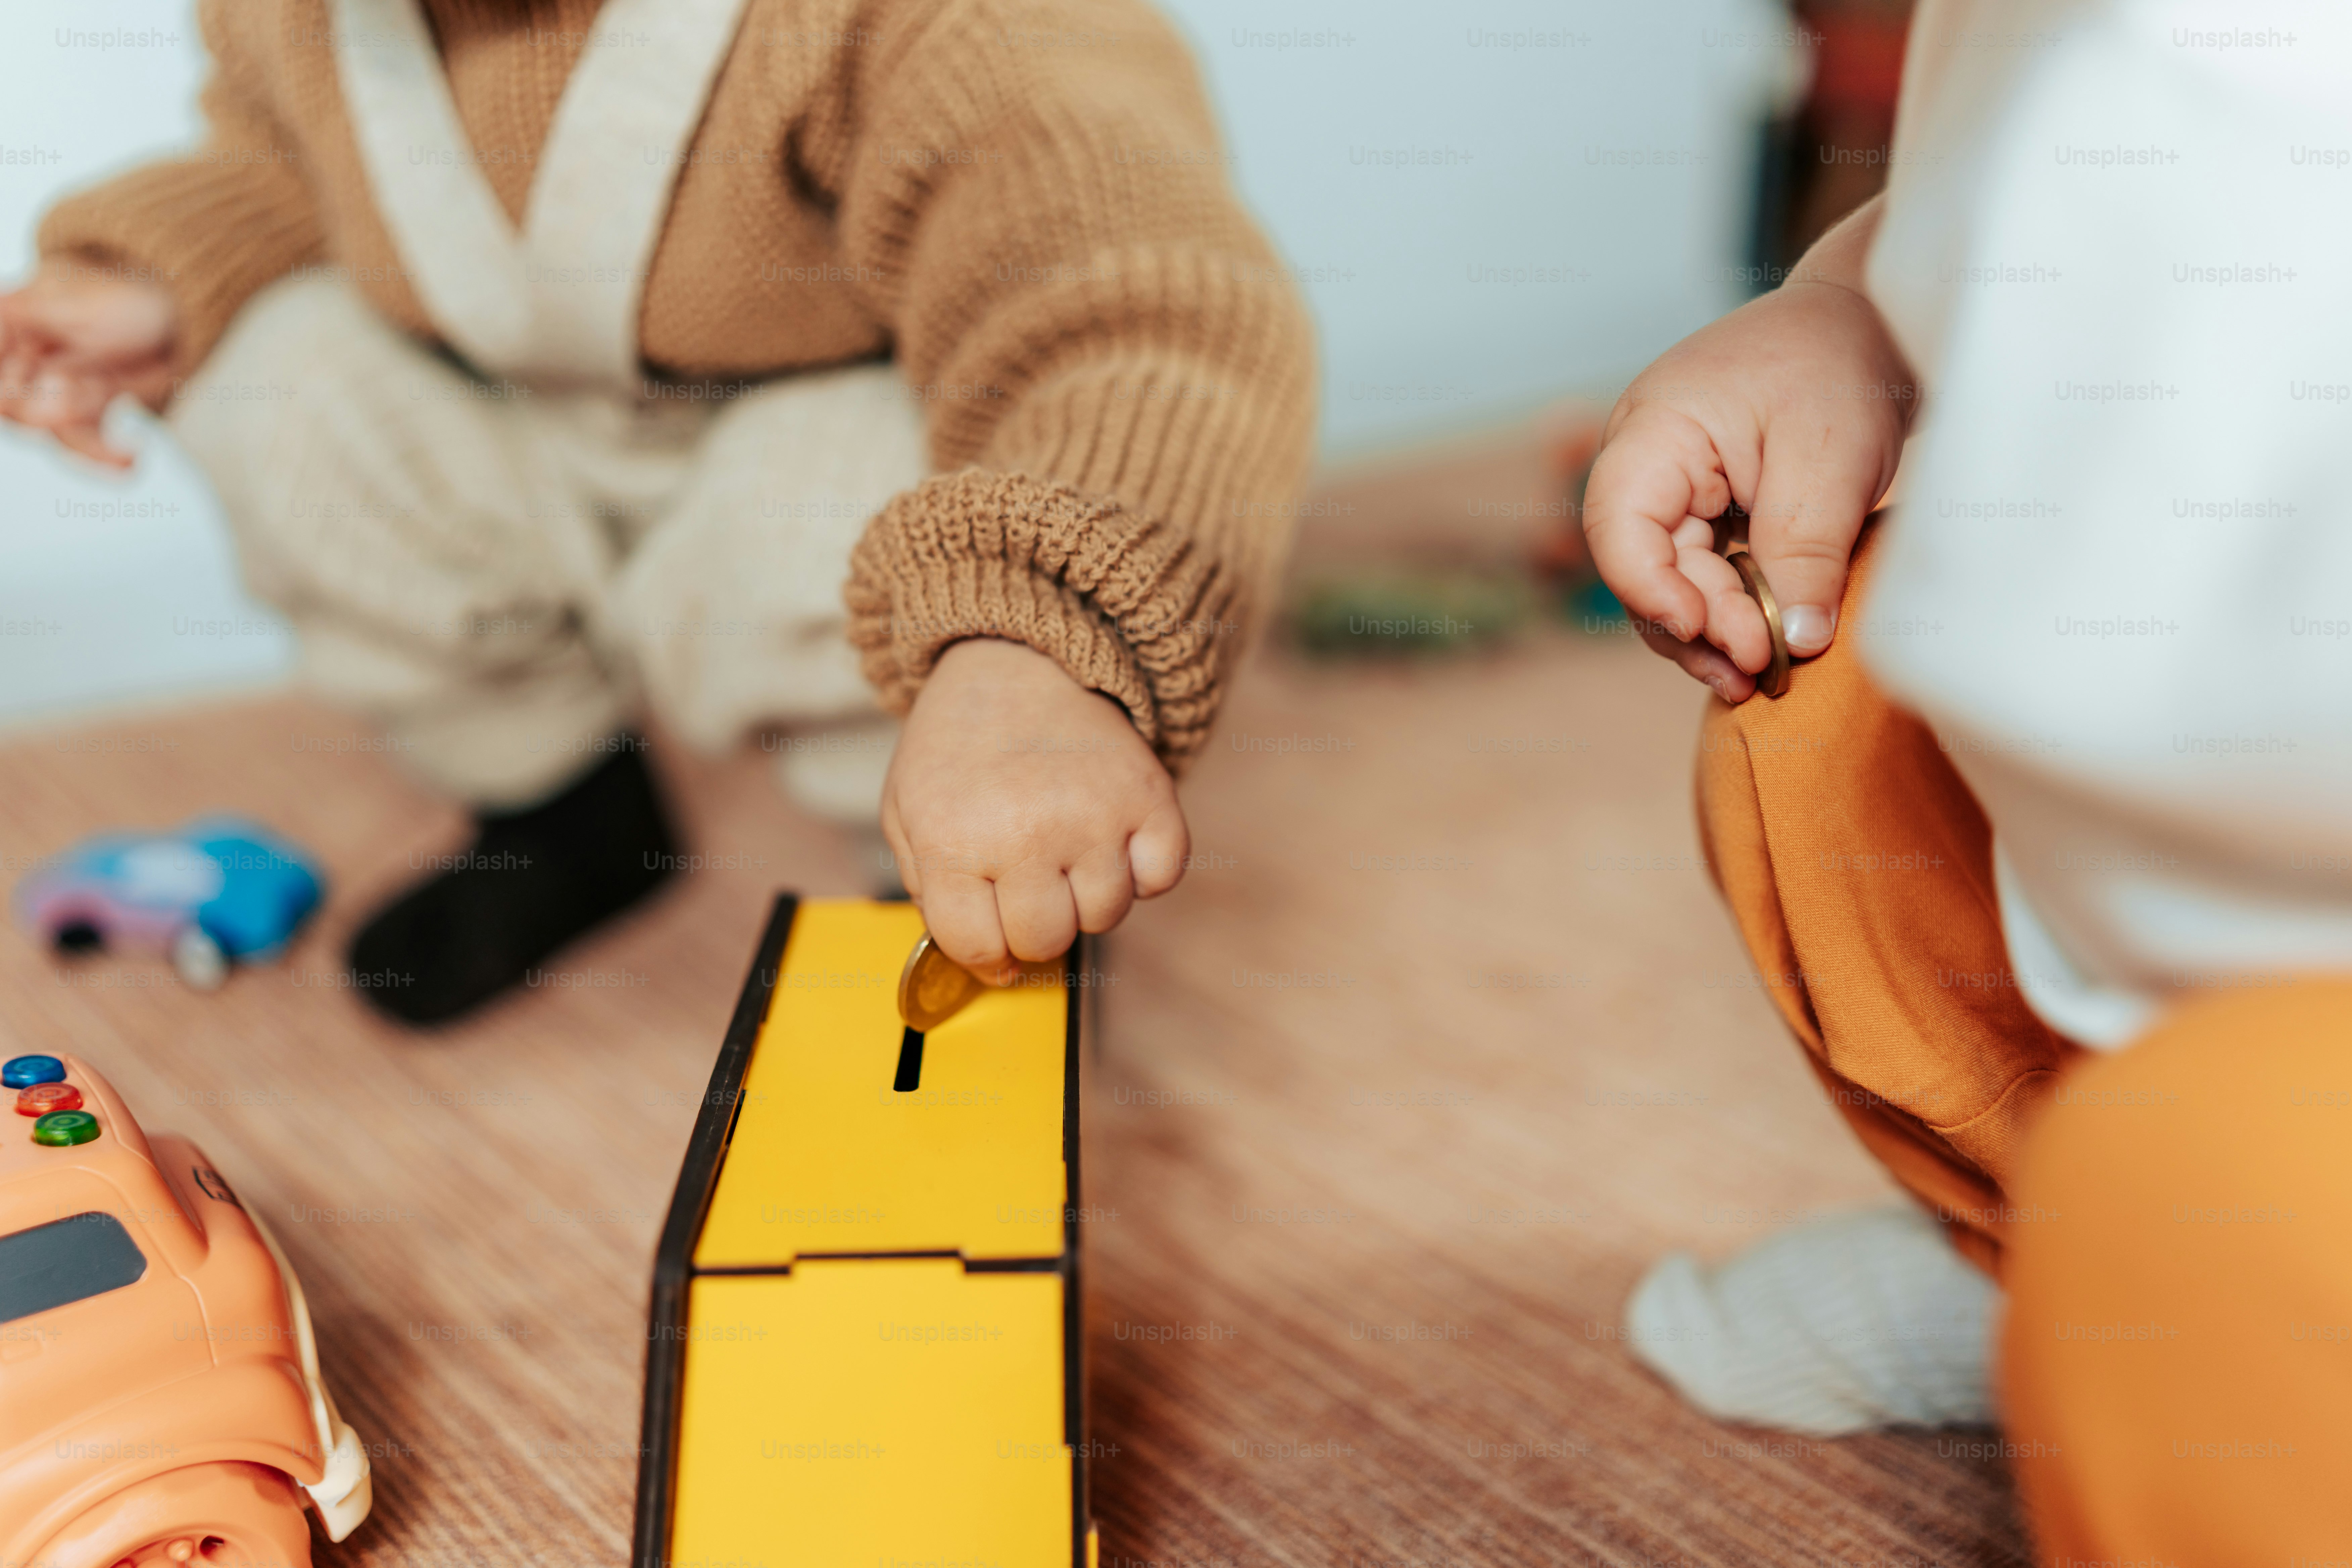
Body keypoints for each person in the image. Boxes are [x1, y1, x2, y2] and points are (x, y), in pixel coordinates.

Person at [0, 0, 1314, 1025]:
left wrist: (1038, 656)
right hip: (534, 438)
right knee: (276, 379)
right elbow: (308, 169)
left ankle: (976, 894)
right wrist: (161, 271)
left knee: (846, 487)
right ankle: (562, 810)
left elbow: (1124, 306)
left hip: (818, 470)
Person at [1582, 0, 2352, 1557]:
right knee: (1820, 707)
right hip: (2183, 874)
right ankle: (2037, 1240)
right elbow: (2024, 185)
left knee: (2221, 1175)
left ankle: (2151, 1252)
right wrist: (1856, 310)